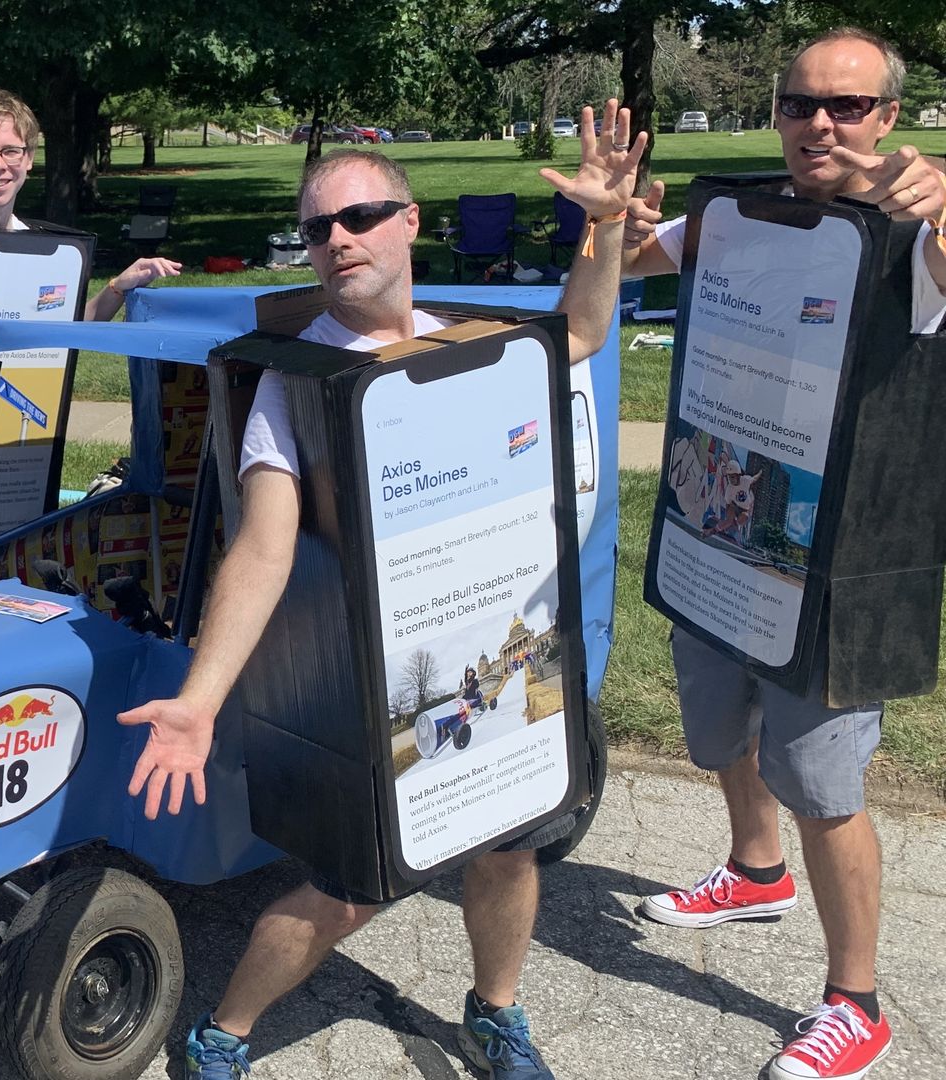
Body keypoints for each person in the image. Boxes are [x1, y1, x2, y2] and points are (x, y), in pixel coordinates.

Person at [117, 103, 643, 1080]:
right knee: (349, 890)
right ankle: (222, 1035)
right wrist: (199, 697)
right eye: (319, 229)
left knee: (507, 853)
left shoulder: (472, 344)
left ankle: (494, 1012)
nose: (338, 241)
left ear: (409, 222)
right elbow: (263, 552)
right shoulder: (297, 384)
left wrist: (605, 224)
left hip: (502, 663)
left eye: (358, 218)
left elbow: (582, 329)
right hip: (385, 687)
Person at [622, 28, 944, 1080]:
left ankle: (857, 1002)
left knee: (824, 787)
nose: (820, 124)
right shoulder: (742, 213)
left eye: (848, 107)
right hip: (722, 533)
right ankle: (755, 870)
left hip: (838, 569)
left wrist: (942, 203)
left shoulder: (914, 236)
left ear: (889, 118)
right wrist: (608, 224)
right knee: (719, 733)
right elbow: (639, 257)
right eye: (801, 102)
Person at [0, 89, 183, 319]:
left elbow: (64, 324)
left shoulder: (34, 246)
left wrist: (118, 287)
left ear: (29, 158)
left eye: (11, 151)